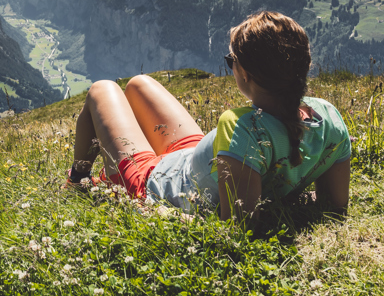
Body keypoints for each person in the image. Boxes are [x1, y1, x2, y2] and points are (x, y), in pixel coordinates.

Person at [67, 11, 351, 223]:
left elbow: (238, 228)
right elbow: (335, 206)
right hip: (200, 159)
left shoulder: (240, 128)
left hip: (156, 183)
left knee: (101, 89)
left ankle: (77, 180)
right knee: (139, 83)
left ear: (246, 75)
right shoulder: (329, 117)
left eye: (231, 62)